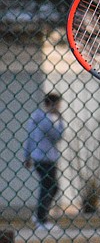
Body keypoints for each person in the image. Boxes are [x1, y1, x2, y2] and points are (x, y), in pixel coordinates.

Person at [24, 92, 66, 233]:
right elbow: (57, 136)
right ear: (52, 104)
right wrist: (60, 120)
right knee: (49, 187)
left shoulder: (35, 118)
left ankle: (39, 216)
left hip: (37, 158)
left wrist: (27, 156)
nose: (59, 107)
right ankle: (42, 220)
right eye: (58, 104)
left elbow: (29, 139)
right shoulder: (46, 120)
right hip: (47, 159)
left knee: (50, 186)